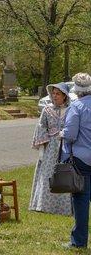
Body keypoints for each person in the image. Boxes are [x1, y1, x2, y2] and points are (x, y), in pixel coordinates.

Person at [29, 82, 72, 215]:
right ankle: (44, 205)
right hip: (50, 146)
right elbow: (41, 128)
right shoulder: (47, 110)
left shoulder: (71, 110)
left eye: (58, 93)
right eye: (53, 93)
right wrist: (42, 149)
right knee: (47, 174)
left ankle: (63, 207)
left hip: (65, 146)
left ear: (64, 96)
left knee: (65, 174)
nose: (54, 96)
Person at [61, 73, 91, 249]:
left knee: (81, 199)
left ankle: (79, 241)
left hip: (82, 159)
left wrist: (61, 134)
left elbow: (71, 134)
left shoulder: (77, 106)